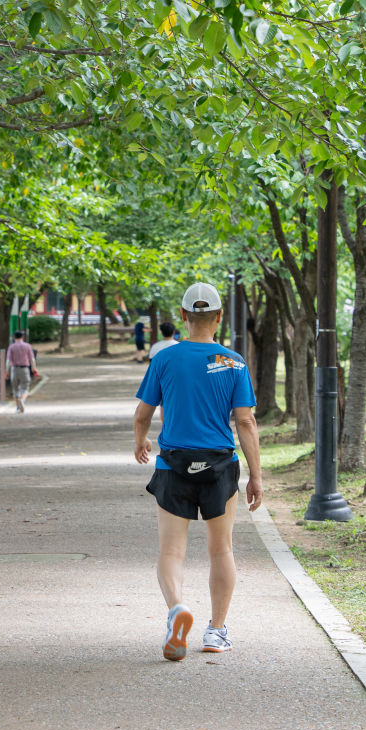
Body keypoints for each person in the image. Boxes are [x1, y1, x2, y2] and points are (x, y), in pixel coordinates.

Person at [133, 281, 262, 660]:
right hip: (220, 464)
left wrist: (141, 441)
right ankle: (216, 631)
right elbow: (246, 422)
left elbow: (143, 414)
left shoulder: (164, 359)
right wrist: (256, 475)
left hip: (174, 463)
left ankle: (176, 610)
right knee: (221, 549)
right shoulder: (233, 362)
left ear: (184, 317)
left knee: (171, 551)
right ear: (219, 318)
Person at [6, 330, 35, 413]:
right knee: (25, 388)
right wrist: (33, 368)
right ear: (23, 337)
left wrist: (6, 371)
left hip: (14, 369)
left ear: (14, 337)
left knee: (15, 389)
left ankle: (18, 407)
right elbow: (32, 359)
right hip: (24, 369)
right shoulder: (28, 346)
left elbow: (8, 360)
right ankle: (22, 400)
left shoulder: (11, 347)